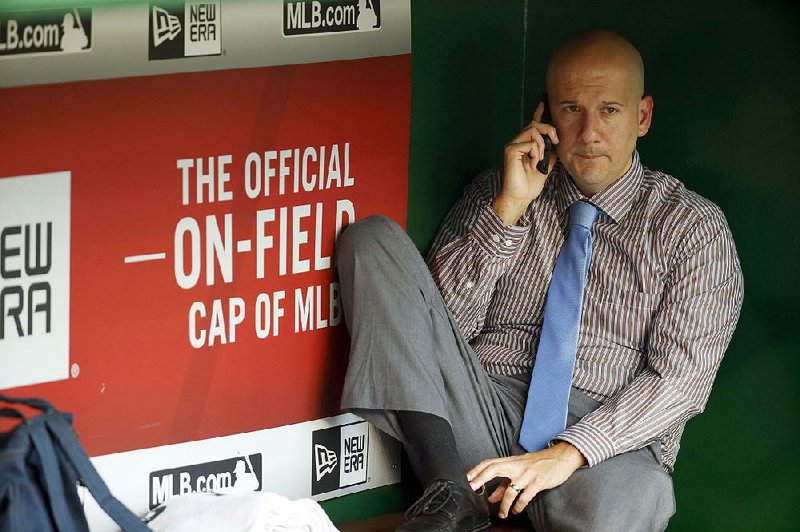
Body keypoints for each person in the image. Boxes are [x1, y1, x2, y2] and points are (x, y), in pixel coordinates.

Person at [335, 30, 743, 531]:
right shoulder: (500, 189)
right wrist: (509, 210)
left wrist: (569, 452)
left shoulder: (692, 228)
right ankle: (448, 496)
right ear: (545, 115)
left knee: (642, 492)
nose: (590, 132)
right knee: (371, 240)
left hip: (599, 447)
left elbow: (681, 382)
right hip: (480, 415)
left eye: (610, 110)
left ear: (643, 116)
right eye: (572, 109)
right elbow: (431, 330)